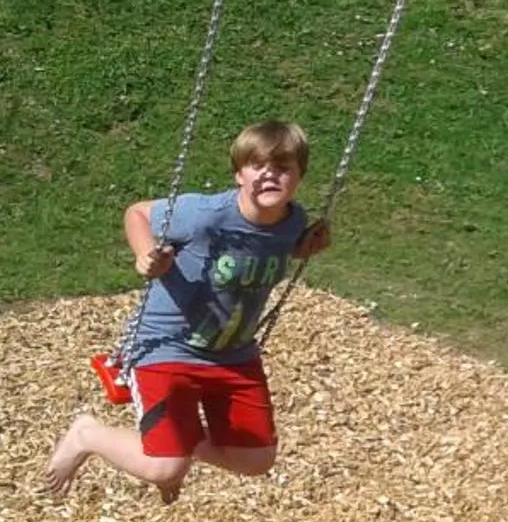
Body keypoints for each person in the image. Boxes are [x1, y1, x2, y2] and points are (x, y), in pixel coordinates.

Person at [44, 120, 330, 502]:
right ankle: (88, 434)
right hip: (169, 347)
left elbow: (260, 251)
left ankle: (180, 442)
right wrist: (145, 254)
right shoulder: (205, 215)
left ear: (299, 176)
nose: (269, 176)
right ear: (238, 174)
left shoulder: (293, 220)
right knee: (163, 468)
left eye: (283, 167)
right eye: (257, 166)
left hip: (234, 355)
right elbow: (138, 214)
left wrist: (300, 248)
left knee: (257, 459)